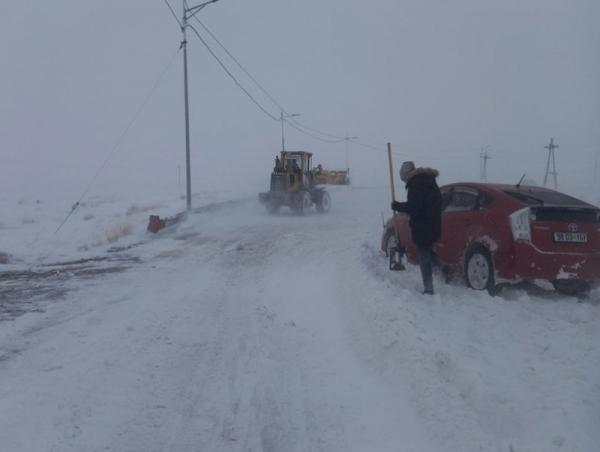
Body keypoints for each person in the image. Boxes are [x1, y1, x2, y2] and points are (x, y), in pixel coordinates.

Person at [391, 161, 443, 295]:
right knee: (427, 250)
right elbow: (438, 202)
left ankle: (429, 288)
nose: (405, 182)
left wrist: (397, 206)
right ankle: (443, 269)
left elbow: (414, 207)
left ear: (407, 175)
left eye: (404, 179)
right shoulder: (428, 181)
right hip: (434, 223)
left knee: (424, 256)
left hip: (423, 225)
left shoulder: (415, 184)